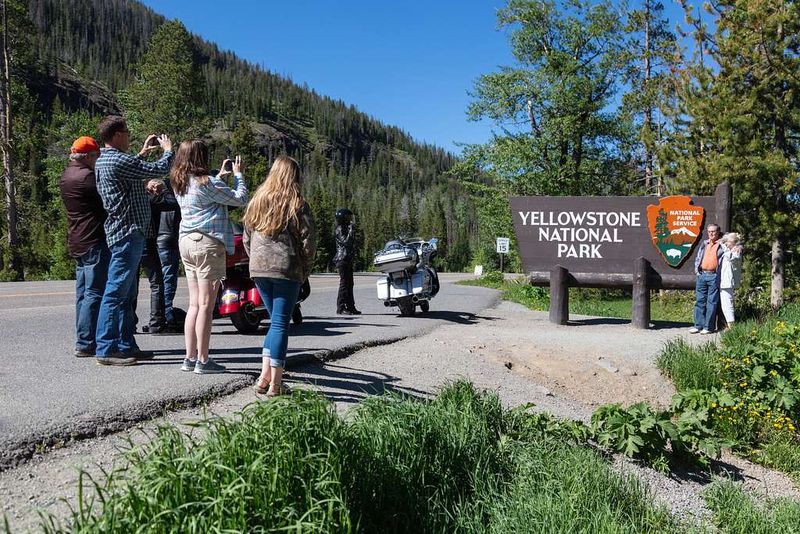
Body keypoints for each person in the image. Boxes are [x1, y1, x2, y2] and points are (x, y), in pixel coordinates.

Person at [94, 116, 174, 366]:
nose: (128, 136)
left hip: (126, 231)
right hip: (128, 231)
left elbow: (131, 174)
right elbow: (157, 170)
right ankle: (107, 348)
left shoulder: (106, 159)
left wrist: (141, 153)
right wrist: (168, 151)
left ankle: (126, 343)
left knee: (126, 293)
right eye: (126, 132)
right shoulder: (117, 159)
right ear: (117, 135)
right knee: (117, 292)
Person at [172, 140, 248, 375]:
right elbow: (240, 198)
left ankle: (189, 357)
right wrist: (238, 176)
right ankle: (203, 360)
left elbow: (208, 198)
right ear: (201, 157)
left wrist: (220, 178)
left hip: (186, 242)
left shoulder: (179, 182)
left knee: (194, 303)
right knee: (206, 305)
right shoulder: (208, 182)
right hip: (207, 243)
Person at [243, 156, 316, 396]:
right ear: (293, 176)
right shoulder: (297, 203)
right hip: (286, 269)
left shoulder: (257, 200)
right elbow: (308, 241)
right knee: (280, 325)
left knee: (274, 323)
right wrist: (304, 270)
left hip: (259, 268)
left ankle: (264, 378)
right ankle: (276, 384)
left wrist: (254, 260)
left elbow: (247, 237)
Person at [59, 136, 109, 358]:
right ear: (88, 156)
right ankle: (87, 341)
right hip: (93, 239)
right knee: (94, 292)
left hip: (77, 239)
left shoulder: (67, 175)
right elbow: (106, 203)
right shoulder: (87, 177)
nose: (97, 159)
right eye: (96, 156)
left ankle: (83, 339)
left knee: (82, 293)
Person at [141, 186, 180, 335]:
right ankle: (163, 318)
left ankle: (132, 323)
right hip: (165, 241)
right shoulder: (162, 200)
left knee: (135, 286)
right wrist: (166, 189)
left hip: (156, 240)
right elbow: (172, 203)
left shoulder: (145, 198)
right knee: (163, 282)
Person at [690, 223, 725, 335]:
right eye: (709, 231)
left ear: (718, 232)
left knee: (711, 302)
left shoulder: (722, 245)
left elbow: (736, 244)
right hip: (702, 275)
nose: (711, 233)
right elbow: (698, 257)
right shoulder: (704, 244)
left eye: (713, 231)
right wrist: (697, 270)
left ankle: (708, 327)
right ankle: (698, 325)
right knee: (700, 301)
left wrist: (738, 247)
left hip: (714, 276)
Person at [333, 207, 360, 315]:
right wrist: (351, 230)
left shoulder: (344, 228)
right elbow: (346, 242)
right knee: (344, 284)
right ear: (342, 218)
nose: (350, 219)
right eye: (348, 217)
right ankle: (341, 307)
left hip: (347, 259)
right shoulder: (340, 229)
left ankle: (350, 306)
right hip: (342, 259)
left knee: (350, 284)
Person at [719, 232, 744, 329]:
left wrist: (739, 246)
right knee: (725, 304)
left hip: (728, 281)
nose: (726, 244)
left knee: (727, 304)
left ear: (733, 242)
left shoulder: (736, 252)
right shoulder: (731, 250)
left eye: (728, 242)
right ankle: (730, 324)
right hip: (724, 281)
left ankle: (731, 325)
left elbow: (731, 257)